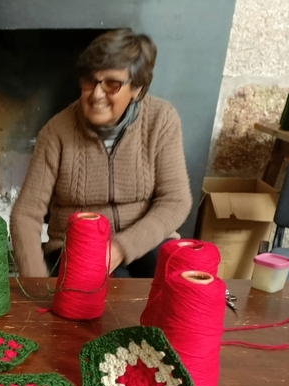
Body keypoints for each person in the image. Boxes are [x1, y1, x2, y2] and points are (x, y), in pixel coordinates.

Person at [11, 29, 192, 278]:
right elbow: (26, 214)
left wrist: (120, 248)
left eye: (112, 84)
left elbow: (175, 200)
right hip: (76, 247)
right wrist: (36, 282)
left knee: (174, 279)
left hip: (146, 240)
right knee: (108, 289)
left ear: (137, 89)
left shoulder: (161, 120)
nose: (96, 94)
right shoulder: (56, 132)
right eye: (90, 81)